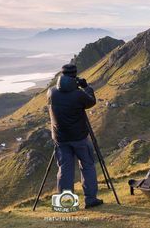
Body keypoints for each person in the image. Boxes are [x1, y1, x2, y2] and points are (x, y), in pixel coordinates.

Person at [47, 63, 103, 209]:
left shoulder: (51, 92)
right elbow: (91, 101)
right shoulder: (78, 94)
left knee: (65, 169)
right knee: (88, 166)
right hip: (80, 138)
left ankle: (66, 204)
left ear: (61, 74)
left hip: (60, 138)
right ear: (74, 75)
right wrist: (86, 87)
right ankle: (90, 200)